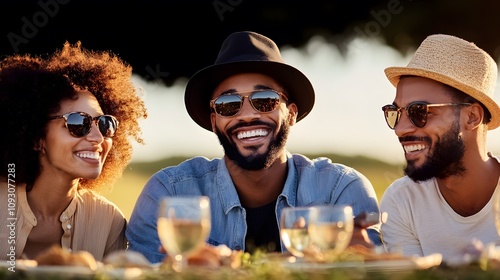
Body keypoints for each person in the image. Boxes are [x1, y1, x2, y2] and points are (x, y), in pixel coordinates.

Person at [126, 30, 381, 264]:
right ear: (215, 121)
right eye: (228, 104)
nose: (247, 115)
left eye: (265, 100)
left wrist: (363, 263)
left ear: (291, 114)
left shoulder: (340, 192)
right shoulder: (168, 195)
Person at [0, 42, 147, 261]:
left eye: (105, 124)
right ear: (36, 138)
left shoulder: (107, 221)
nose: (98, 138)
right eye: (79, 123)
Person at [379, 34, 500, 263]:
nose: (400, 130)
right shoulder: (402, 201)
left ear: (472, 117)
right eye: (395, 113)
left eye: (419, 112)